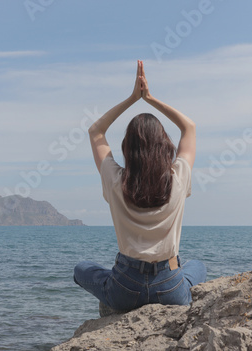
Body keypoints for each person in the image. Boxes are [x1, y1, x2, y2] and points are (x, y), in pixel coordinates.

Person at [74, 60, 207, 317]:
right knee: (197, 266)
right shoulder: (178, 177)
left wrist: (133, 98)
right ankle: (184, 294)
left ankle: (113, 302)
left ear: (127, 148)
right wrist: (151, 98)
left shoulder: (116, 179)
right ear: (163, 145)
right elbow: (188, 127)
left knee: (82, 269)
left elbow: (95, 131)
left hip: (126, 286)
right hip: (169, 287)